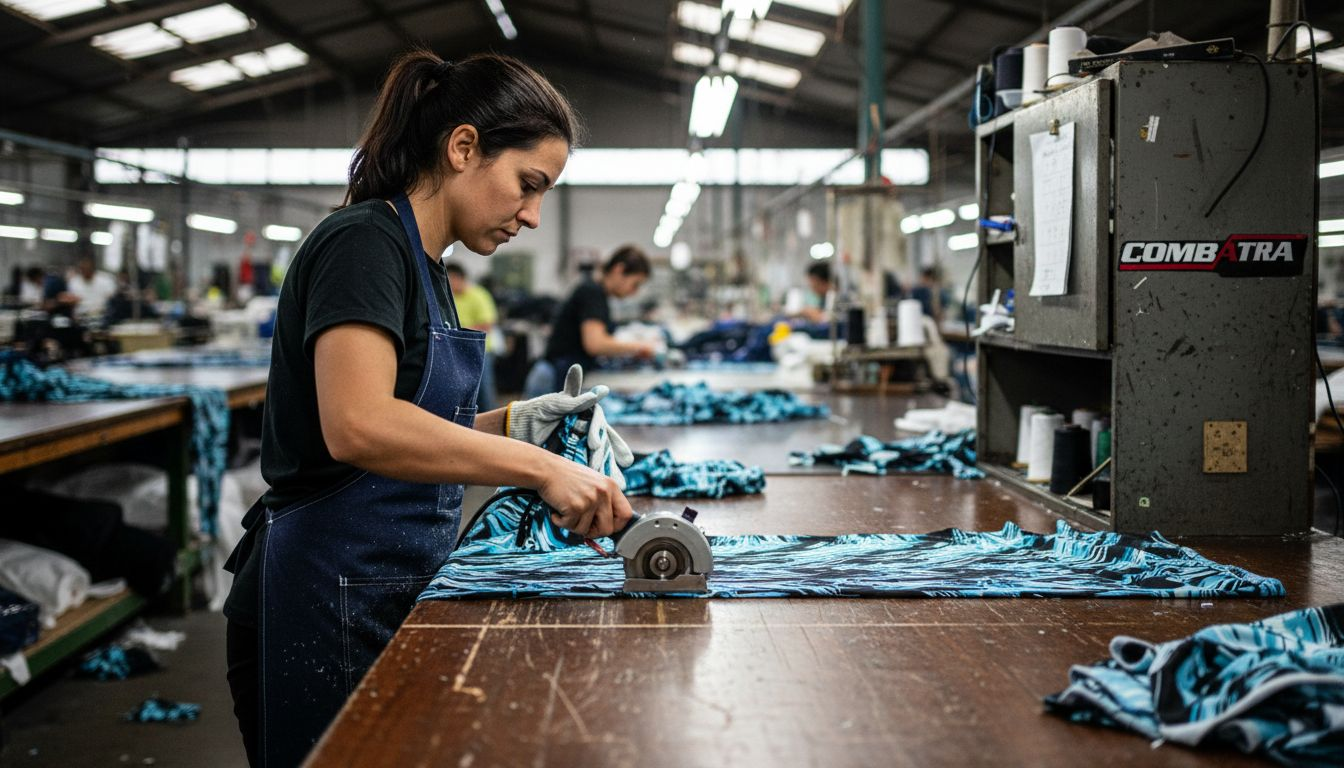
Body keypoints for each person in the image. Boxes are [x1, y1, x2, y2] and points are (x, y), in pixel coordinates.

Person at [221, 50, 636, 768]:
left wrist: (511, 424)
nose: (533, 217)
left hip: (388, 581)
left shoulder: (427, 266)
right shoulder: (364, 244)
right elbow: (359, 426)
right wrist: (535, 467)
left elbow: (411, 429)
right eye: (527, 186)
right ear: (463, 147)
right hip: (324, 594)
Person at [523, 245, 656, 397]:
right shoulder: (592, 293)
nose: (635, 291)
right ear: (619, 270)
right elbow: (595, 344)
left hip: (558, 373)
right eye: (635, 284)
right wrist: (640, 346)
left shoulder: (596, 293)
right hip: (552, 378)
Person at [446, 261, 500, 409]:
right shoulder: (449, 296)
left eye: (451, 279)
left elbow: (487, 325)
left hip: (481, 350)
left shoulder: (478, 295)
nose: (448, 283)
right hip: (456, 350)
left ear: (460, 278)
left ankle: (490, 421)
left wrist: (458, 332)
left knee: (483, 391)